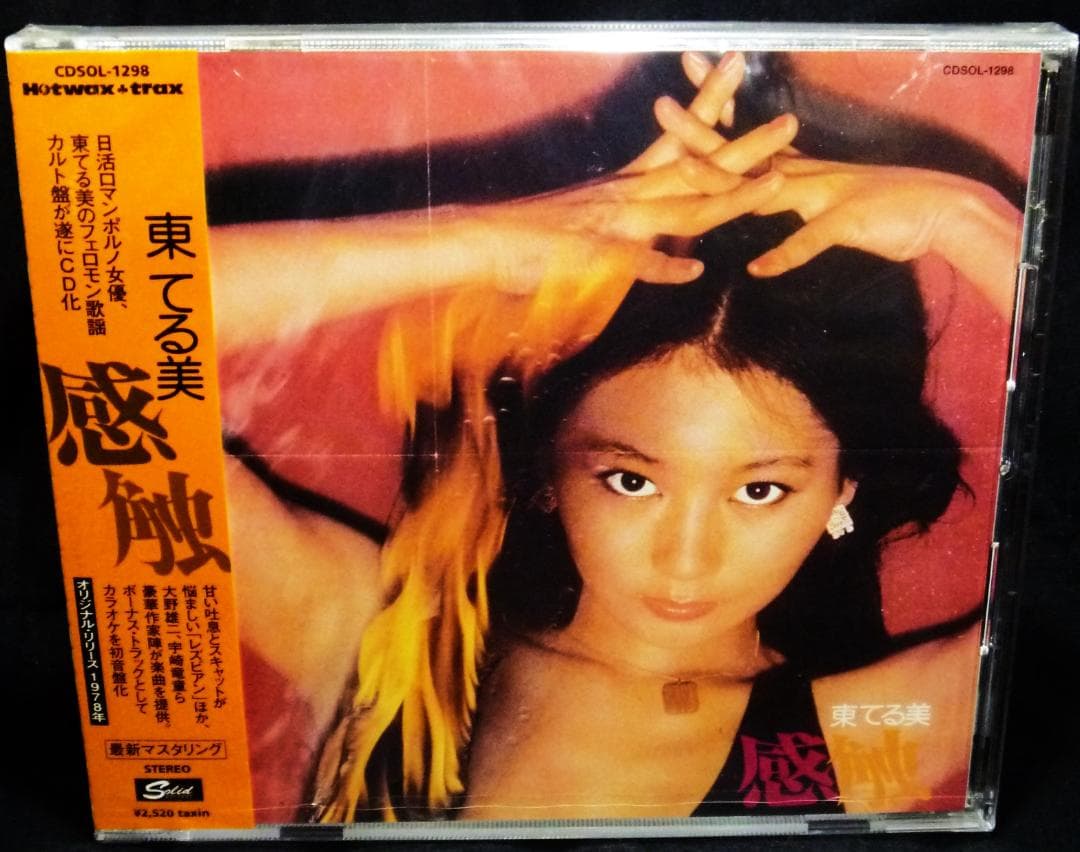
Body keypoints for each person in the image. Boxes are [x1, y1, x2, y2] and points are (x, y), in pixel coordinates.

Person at [209, 52, 1021, 821]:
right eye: (632, 481)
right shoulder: (388, 647)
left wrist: (965, 218)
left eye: (760, 489)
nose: (686, 560)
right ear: (547, 470)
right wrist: (483, 242)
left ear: (842, 490)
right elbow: (132, 344)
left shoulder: (841, 744)